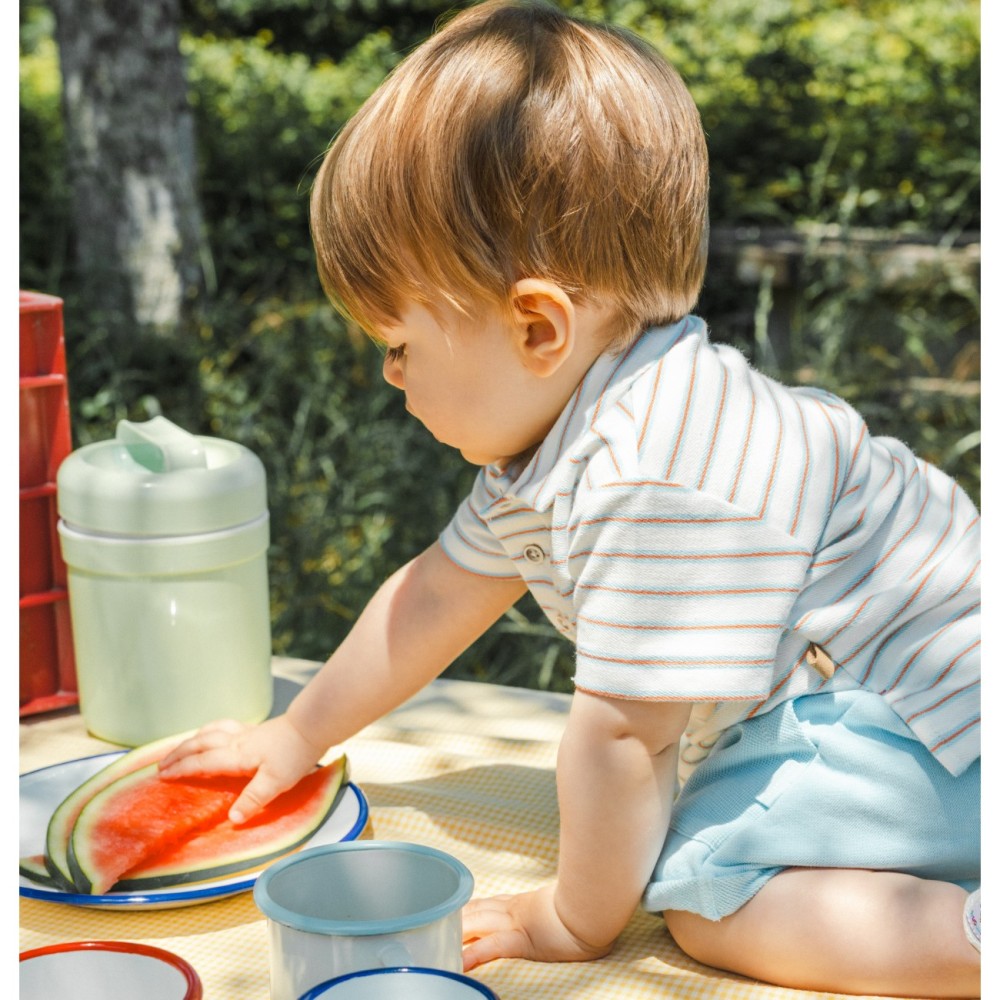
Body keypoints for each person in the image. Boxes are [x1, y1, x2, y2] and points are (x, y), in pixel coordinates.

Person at [160, 1, 981, 994]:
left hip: (917, 718)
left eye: (398, 344)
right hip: (892, 699)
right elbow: (437, 592)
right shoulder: (566, 440)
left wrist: (571, 916)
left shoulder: (652, 471)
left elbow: (627, 734)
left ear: (539, 328)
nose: (388, 376)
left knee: (710, 901)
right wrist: (294, 735)